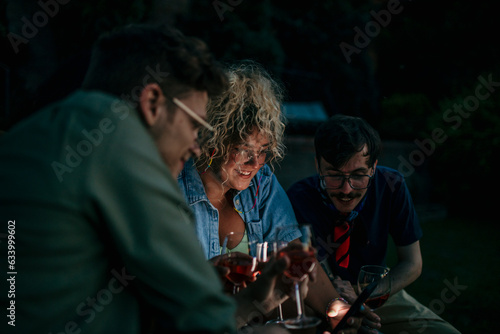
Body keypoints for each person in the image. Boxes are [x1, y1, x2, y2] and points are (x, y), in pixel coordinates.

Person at [0, 23, 313, 334]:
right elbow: (201, 320)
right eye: (194, 126)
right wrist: (252, 303)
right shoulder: (120, 145)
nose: (196, 145)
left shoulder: (33, 132)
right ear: (151, 103)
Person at [177, 61, 374, 332]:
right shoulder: (173, 190)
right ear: (215, 140)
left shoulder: (262, 182)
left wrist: (337, 309)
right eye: (244, 149)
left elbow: (296, 256)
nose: (255, 162)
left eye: (264, 150)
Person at [287, 114, 461, 334]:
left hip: (379, 291)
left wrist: (365, 295)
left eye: (359, 175)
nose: (346, 189)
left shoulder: (392, 187)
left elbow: (412, 263)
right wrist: (339, 301)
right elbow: (303, 272)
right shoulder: (297, 199)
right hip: (320, 295)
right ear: (318, 166)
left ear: (373, 167)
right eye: (334, 175)